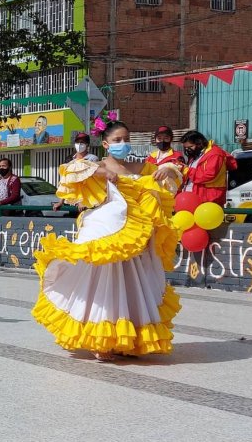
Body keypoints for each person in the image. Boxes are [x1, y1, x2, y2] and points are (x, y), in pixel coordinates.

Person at [32, 120, 184, 361]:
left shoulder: (139, 167)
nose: (123, 144)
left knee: (133, 285)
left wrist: (169, 169)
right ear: (105, 144)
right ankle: (100, 340)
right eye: (117, 140)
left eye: (126, 139)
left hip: (136, 238)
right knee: (105, 285)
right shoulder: (97, 166)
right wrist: (102, 172)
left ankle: (127, 340)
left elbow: (173, 177)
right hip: (107, 234)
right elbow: (69, 172)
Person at [180, 130, 235, 206]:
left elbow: (209, 175)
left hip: (209, 200)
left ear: (199, 143)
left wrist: (188, 170)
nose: (188, 150)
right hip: (194, 198)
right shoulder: (196, 155)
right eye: (186, 148)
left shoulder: (215, 154)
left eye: (190, 147)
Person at [52, 135, 98, 211]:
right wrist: (60, 202)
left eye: (82, 142)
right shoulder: (70, 161)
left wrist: (82, 201)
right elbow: (66, 183)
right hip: (73, 202)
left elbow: (89, 182)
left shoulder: (92, 159)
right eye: (77, 142)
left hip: (88, 201)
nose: (79, 145)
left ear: (87, 145)